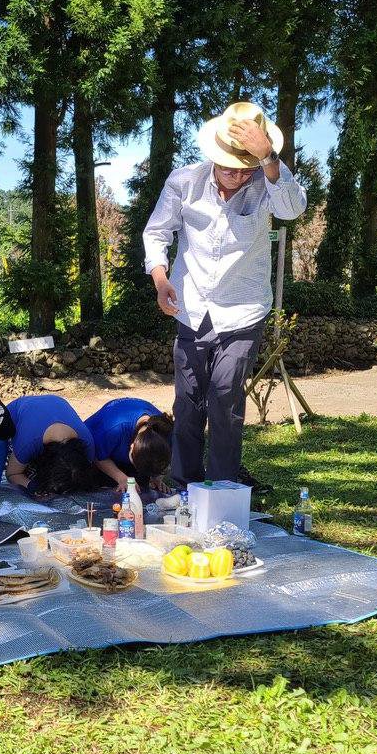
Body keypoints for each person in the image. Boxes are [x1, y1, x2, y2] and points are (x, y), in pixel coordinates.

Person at [143, 102, 307, 489]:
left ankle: (220, 490)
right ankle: (185, 486)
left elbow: (293, 208)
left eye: (245, 165)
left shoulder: (267, 183)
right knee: (186, 406)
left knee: (223, 401)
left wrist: (268, 158)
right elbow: (156, 232)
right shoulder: (184, 182)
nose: (236, 173)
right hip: (191, 306)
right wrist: (160, 278)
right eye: (228, 164)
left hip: (243, 311)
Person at [5, 394, 97, 495]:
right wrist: (34, 487)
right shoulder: (26, 444)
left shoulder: (87, 443)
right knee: (28, 473)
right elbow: (12, 473)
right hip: (15, 413)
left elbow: (86, 472)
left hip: (55, 401)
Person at [85, 397, 175, 494]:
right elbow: (97, 456)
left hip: (122, 447)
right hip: (95, 448)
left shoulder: (165, 433)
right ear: (131, 446)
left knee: (140, 487)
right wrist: (121, 477)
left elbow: (161, 460)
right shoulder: (115, 428)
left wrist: (156, 477)